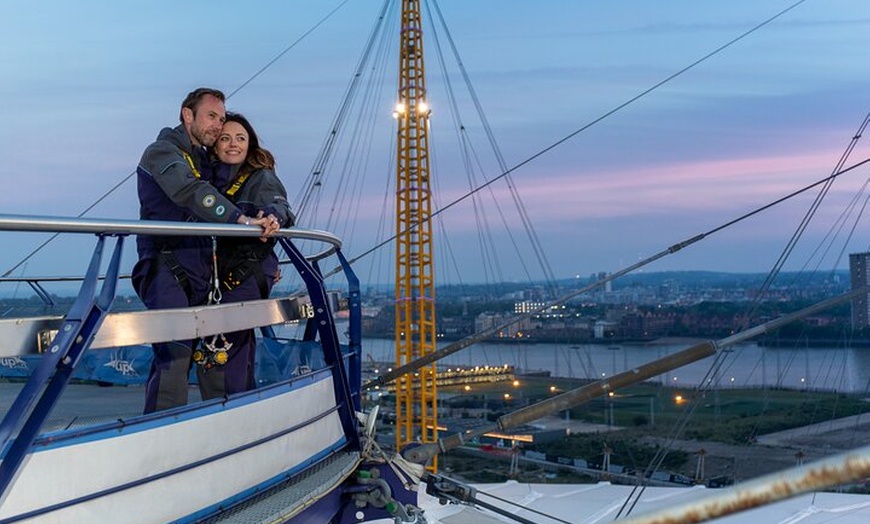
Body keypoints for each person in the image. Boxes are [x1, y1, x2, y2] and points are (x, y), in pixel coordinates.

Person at [132, 88, 280, 413]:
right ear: (188, 115)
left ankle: (226, 433)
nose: (218, 125)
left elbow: (265, 196)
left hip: (203, 277)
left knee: (221, 358)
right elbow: (190, 191)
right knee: (174, 359)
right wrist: (237, 219)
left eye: (222, 118)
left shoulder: (203, 159)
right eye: (211, 117)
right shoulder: (162, 152)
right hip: (167, 270)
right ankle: (160, 441)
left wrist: (265, 254)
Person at [206, 111, 295, 395]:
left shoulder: (260, 178)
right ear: (215, 144)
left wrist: (271, 218)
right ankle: (238, 407)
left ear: (250, 144)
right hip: (220, 275)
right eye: (225, 138)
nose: (233, 144)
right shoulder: (208, 181)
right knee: (233, 346)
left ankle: (228, 415)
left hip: (245, 272)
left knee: (228, 345)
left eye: (240, 139)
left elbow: (280, 207)